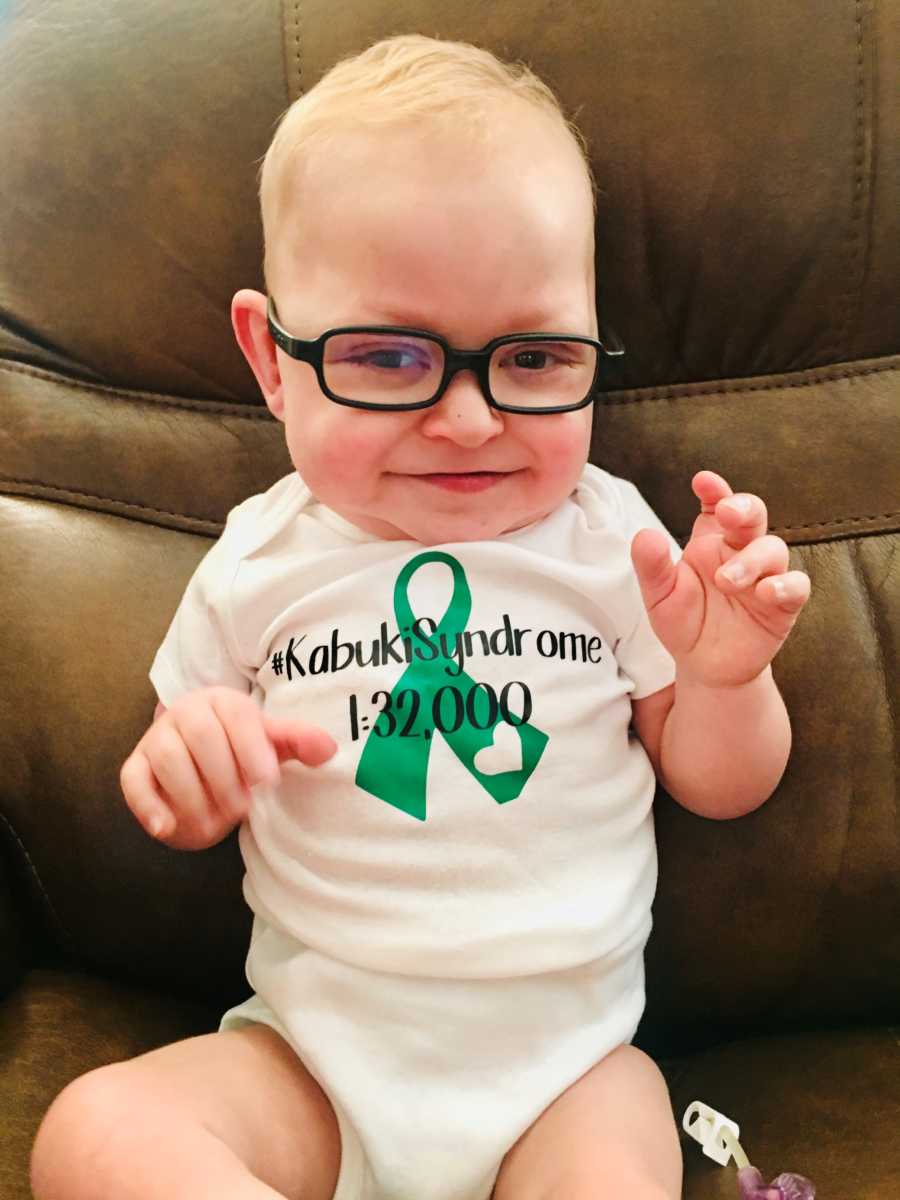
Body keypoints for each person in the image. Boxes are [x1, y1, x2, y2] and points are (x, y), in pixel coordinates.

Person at [31, 33, 811, 1200]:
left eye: (537, 357)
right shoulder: (258, 558)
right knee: (92, 1132)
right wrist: (187, 766)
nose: (467, 420)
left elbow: (724, 784)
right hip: (311, 1059)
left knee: (617, 1147)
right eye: (388, 357)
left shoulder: (620, 542)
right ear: (272, 359)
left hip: (568, 1073)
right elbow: (174, 765)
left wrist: (727, 677)